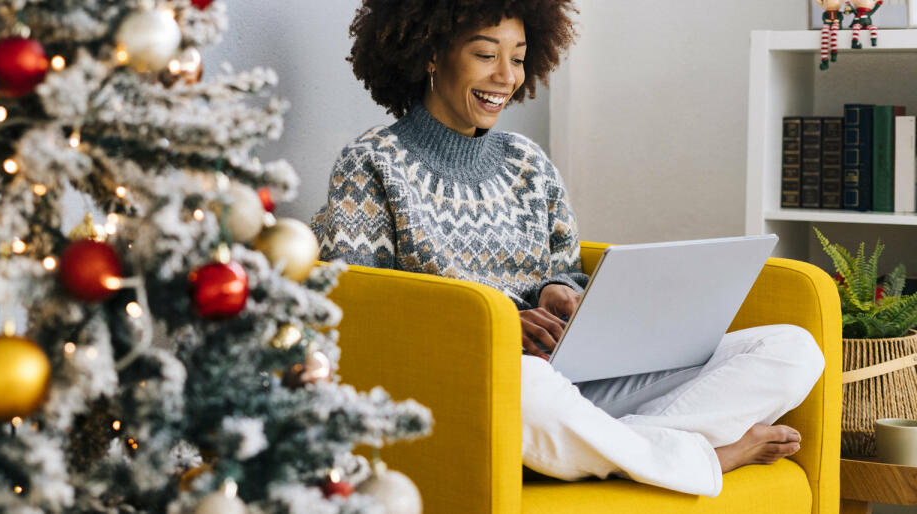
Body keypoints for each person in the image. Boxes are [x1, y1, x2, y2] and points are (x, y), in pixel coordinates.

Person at [310, 0, 825, 497]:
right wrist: (496, 325)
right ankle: (697, 459)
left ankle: (605, 450)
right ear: (429, 54)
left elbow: (566, 267)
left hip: (576, 379)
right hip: (490, 383)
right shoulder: (373, 162)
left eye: (517, 58)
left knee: (792, 350)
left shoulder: (529, 163)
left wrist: (561, 289)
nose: (506, 77)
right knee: (527, 385)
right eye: (486, 55)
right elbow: (361, 310)